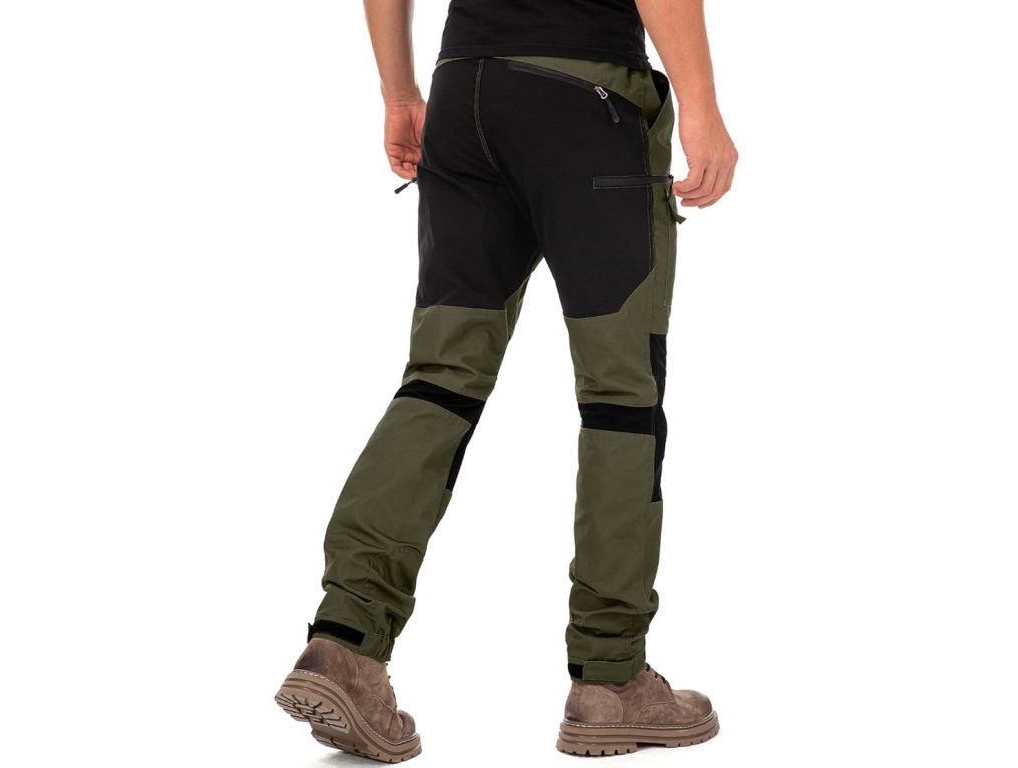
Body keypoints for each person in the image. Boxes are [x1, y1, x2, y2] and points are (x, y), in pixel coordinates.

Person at [274, 0, 737, 760]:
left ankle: (346, 641)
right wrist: (702, 107)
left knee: (439, 381)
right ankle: (611, 678)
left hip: (465, 94)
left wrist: (400, 93)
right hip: (584, 101)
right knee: (621, 400)